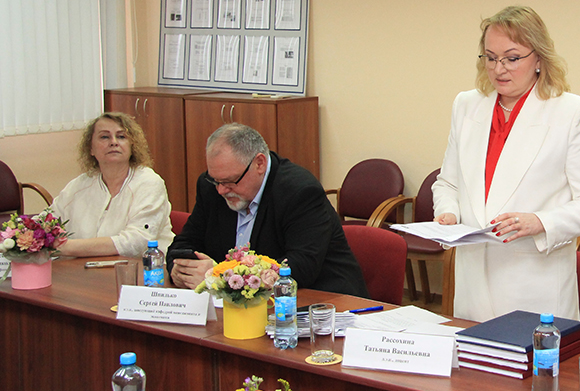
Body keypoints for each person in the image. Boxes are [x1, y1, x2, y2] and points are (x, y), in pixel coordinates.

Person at [432, 5, 580, 322]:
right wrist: (448, 213)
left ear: (539, 58)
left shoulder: (570, 112)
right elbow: (448, 182)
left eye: (512, 58)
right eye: (490, 58)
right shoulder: (467, 106)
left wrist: (541, 222)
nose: (498, 69)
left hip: (534, 287)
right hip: (472, 285)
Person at [167, 123, 368, 296]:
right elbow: (185, 242)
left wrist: (220, 276)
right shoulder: (210, 187)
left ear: (260, 164)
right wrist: (179, 269)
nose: (221, 190)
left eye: (230, 181)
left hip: (321, 303)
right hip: (241, 307)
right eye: (216, 180)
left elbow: (300, 266)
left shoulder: (300, 191)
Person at [53, 112, 174, 257]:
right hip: (83, 269)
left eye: (121, 137)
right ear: (91, 148)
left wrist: (66, 247)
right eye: (105, 137)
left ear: (132, 146)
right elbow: (45, 225)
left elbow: (137, 242)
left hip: (145, 268)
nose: (114, 142)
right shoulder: (79, 185)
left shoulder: (149, 182)